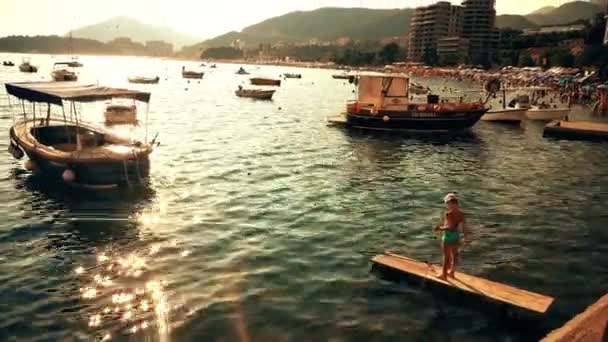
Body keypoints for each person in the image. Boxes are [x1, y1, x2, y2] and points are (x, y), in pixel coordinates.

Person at [433, 193, 468, 280]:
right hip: (456, 236)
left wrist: (439, 228)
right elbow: (464, 227)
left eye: (447, 203)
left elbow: (450, 227)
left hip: (448, 237)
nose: (447, 205)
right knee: (455, 255)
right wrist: (466, 237)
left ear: (450, 203)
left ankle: (444, 275)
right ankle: (452, 272)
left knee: (446, 256)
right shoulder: (461, 214)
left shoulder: (449, 214)